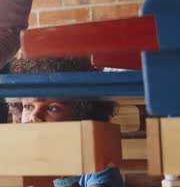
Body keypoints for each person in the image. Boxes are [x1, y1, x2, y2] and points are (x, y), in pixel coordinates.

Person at [9, 56, 125, 187]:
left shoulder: (99, 164)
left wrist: (62, 176)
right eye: (28, 106)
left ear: (83, 115)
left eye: (52, 108)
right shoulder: (23, 162)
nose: (35, 116)